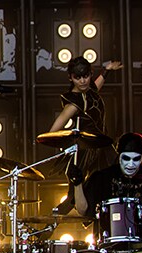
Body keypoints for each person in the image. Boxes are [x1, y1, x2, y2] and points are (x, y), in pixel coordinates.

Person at [49, 56, 122, 214]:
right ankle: (45, 228)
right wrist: (72, 139)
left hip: (103, 148)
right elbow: (52, 132)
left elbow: (95, 88)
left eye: (86, 76)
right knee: (74, 197)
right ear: (71, 77)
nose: (82, 81)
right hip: (85, 153)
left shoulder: (89, 91)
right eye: (77, 77)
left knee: (113, 184)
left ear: (90, 73)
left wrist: (107, 70)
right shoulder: (73, 103)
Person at [69, 132, 142, 221]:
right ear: (119, 156)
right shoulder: (102, 177)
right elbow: (83, 211)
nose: (131, 164)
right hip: (109, 239)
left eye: (136, 159)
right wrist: (78, 184)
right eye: (126, 158)